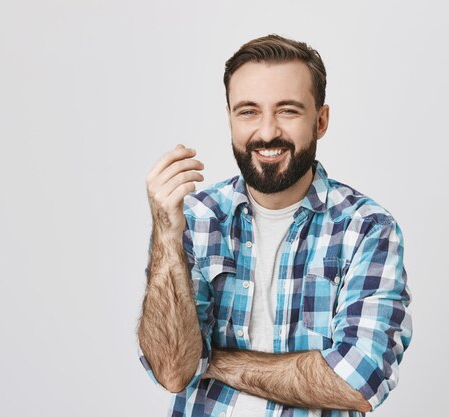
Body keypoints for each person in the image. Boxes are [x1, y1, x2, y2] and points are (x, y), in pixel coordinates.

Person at [136, 34, 412, 417]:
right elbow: (172, 370)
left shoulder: (367, 229)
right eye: (248, 111)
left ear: (321, 121)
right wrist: (166, 231)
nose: (267, 132)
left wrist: (211, 360)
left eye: (287, 111)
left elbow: (359, 381)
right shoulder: (195, 219)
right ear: (230, 118)